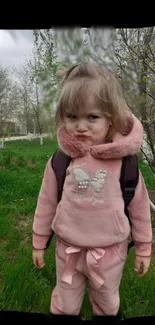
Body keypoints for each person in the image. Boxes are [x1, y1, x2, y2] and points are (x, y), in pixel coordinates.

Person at [32, 62, 152, 317]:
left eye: (92, 117)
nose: (81, 126)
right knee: (65, 305)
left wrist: (143, 247)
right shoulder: (61, 160)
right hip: (68, 248)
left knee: (107, 304)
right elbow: (46, 202)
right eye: (72, 117)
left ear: (111, 119)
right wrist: (39, 242)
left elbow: (140, 208)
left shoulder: (125, 163)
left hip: (110, 252)